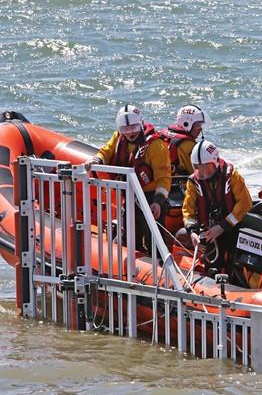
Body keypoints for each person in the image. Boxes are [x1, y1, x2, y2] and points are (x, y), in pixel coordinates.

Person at [85, 104, 172, 250]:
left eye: (134, 128)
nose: (130, 133)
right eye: (125, 129)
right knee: (130, 236)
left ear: (141, 124)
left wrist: (158, 201)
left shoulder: (156, 146)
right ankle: (131, 266)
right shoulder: (118, 137)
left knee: (153, 239)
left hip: (150, 197)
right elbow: (107, 151)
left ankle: (157, 264)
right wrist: (96, 160)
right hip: (130, 195)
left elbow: (164, 177)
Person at [176, 140, 252, 273]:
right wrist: (193, 233)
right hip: (209, 232)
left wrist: (223, 226)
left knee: (236, 265)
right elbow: (188, 210)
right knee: (211, 262)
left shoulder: (232, 176)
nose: (203, 173)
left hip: (233, 228)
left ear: (215, 163)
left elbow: (245, 203)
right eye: (199, 168)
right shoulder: (193, 182)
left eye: (207, 167)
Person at [160, 104, 210, 177]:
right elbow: (198, 173)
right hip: (178, 185)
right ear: (187, 124)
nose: (200, 129)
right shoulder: (187, 145)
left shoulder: (164, 134)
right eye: (198, 125)